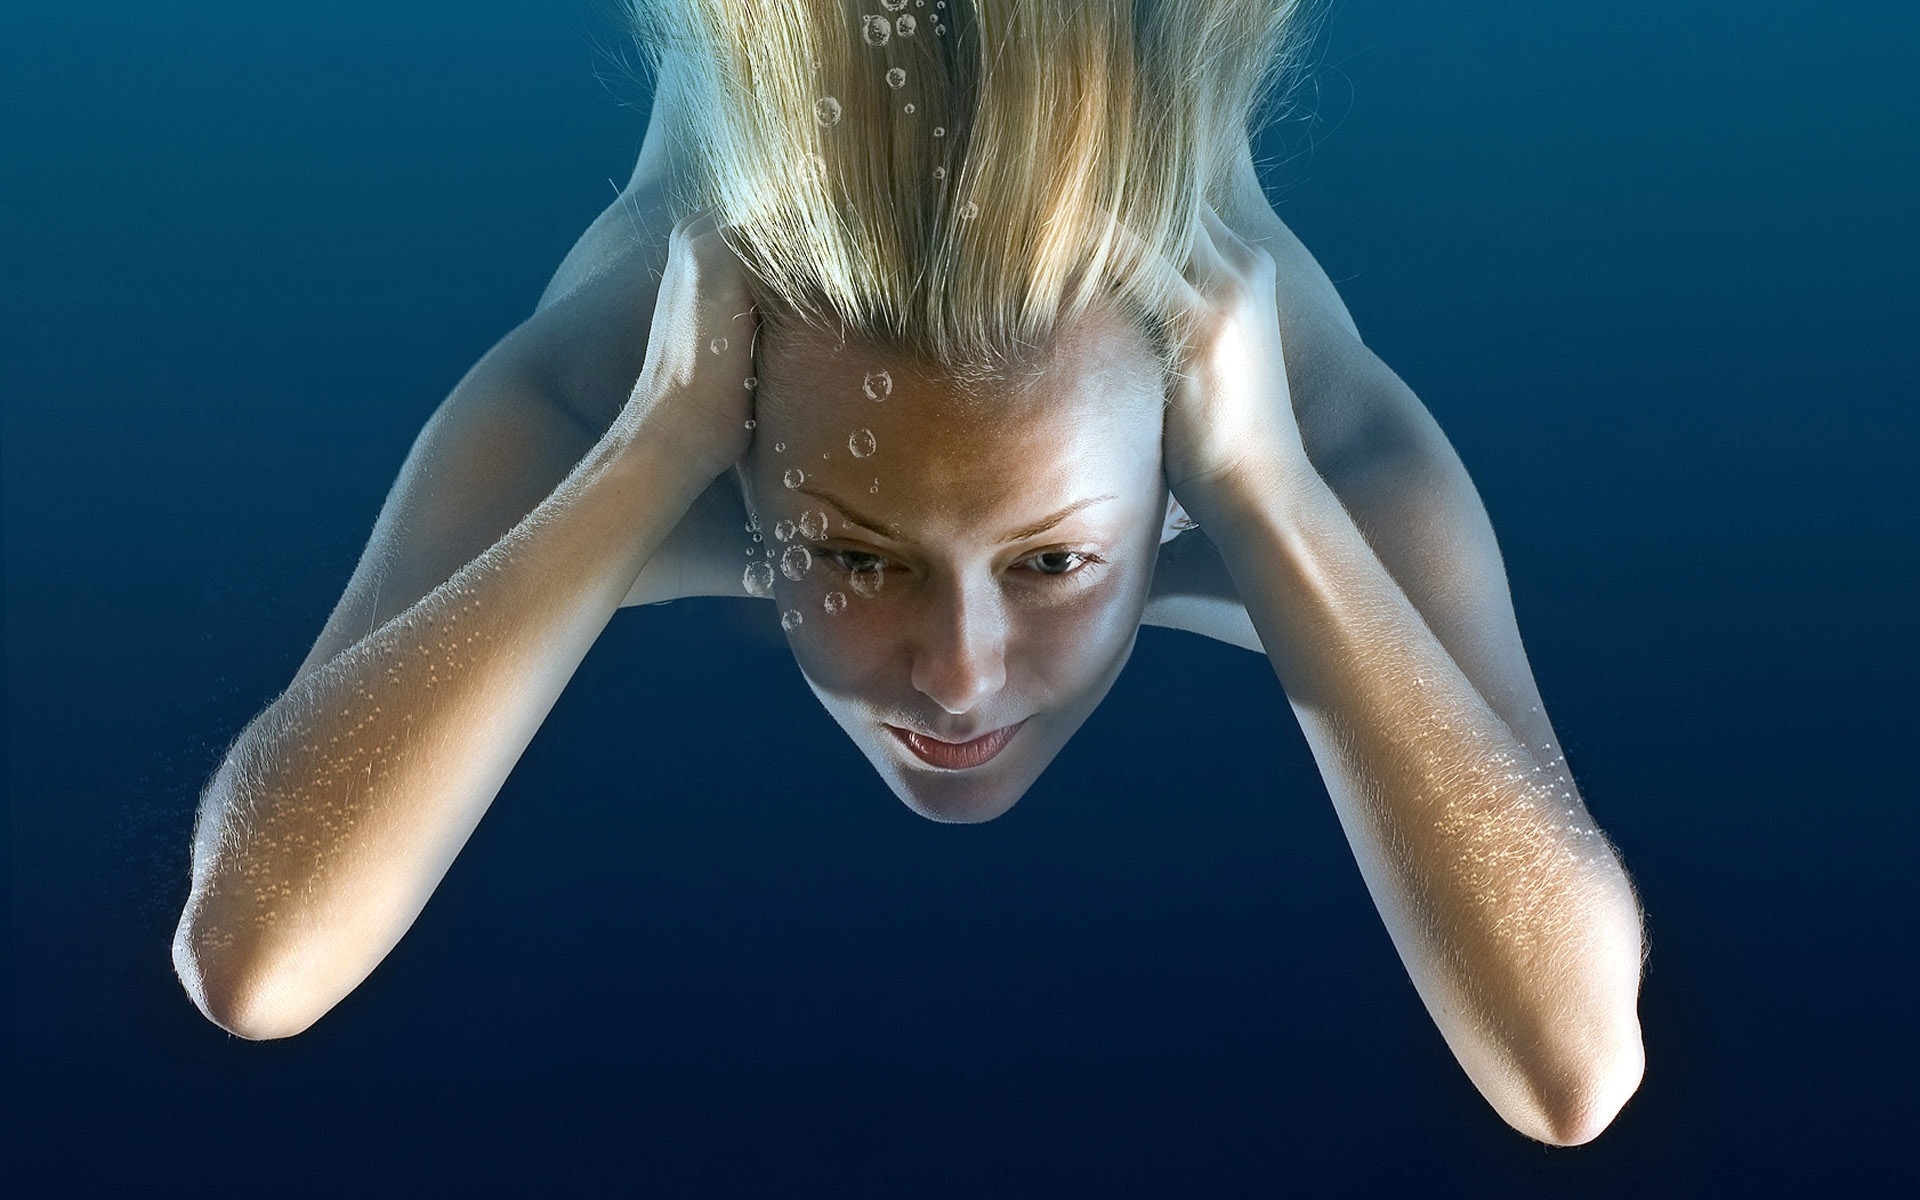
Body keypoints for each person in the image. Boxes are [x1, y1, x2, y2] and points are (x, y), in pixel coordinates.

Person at [172, 0, 1645, 1145]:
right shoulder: (607, 389)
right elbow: (254, 958)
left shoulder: (1301, 437)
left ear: (1179, 470)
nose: (959, 676)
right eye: (850, 554)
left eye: (1059, 559)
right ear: (735, 443)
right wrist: (642, 449)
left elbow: (1575, 1065)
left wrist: (1271, 496)